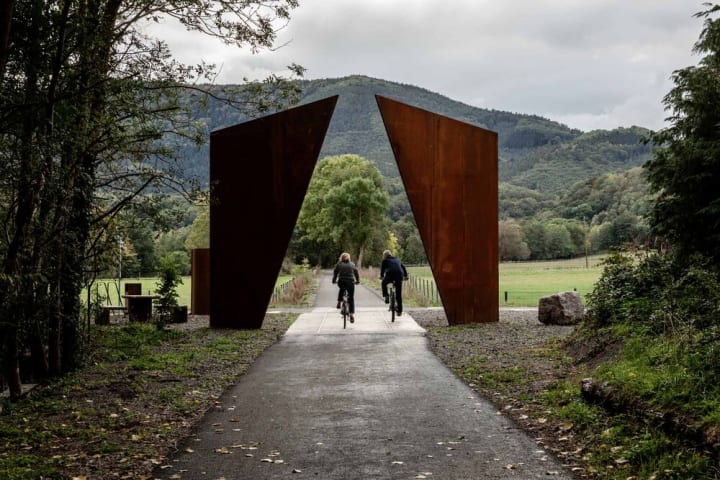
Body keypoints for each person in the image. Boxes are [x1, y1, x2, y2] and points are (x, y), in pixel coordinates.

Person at [332, 252, 360, 323]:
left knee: (342, 289)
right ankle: (351, 314)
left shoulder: (338, 264)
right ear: (349, 258)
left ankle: (339, 302)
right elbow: (356, 273)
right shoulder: (352, 264)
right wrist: (357, 281)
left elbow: (335, 273)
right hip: (351, 282)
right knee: (351, 298)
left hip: (341, 281)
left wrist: (334, 280)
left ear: (341, 258)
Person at [380, 249, 408, 316]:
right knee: (398, 294)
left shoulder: (385, 260)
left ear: (385, 255)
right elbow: (403, 267)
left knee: (383, 283)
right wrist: (406, 276)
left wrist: (381, 276)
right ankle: (399, 311)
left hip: (390, 275)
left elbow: (382, 270)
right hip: (399, 275)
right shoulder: (397, 259)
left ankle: (386, 295)